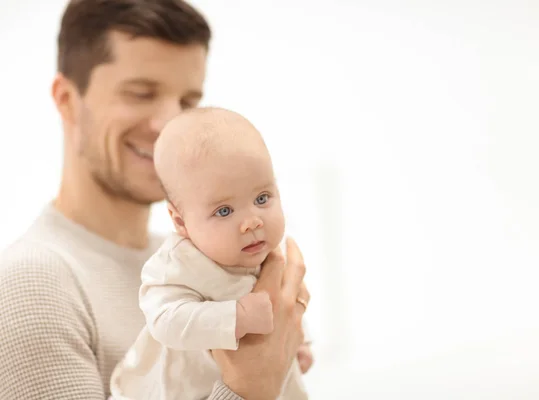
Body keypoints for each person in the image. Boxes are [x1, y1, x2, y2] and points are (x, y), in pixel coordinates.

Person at [0, 1, 310, 399]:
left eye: (187, 102)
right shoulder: (29, 285)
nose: (168, 124)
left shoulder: (198, 256)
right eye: (141, 94)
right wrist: (251, 386)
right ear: (66, 99)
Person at [110, 107, 310, 400]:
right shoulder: (178, 263)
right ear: (181, 222)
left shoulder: (265, 255)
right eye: (224, 211)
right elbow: (165, 320)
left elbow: (282, 312)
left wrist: (295, 345)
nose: (252, 221)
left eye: (262, 198)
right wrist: (235, 316)